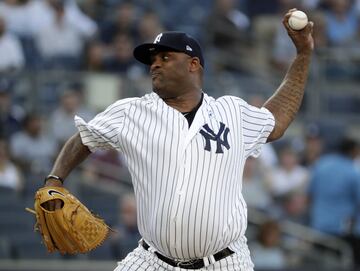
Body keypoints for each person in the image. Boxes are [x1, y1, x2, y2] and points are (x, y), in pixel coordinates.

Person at [43, 9, 314, 271]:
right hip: (153, 260)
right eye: (152, 60)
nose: (155, 64)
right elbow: (85, 138)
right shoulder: (131, 112)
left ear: (193, 64)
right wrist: (54, 180)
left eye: (165, 57)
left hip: (225, 261)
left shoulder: (231, 111)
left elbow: (276, 120)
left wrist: (303, 54)